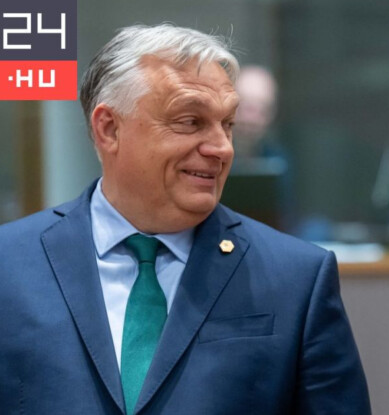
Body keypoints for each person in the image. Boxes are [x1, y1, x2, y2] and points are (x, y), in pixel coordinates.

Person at [0, 24, 370, 414]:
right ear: (109, 129)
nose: (221, 148)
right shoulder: (10, 265)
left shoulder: (296, 279)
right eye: (191, 122)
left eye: (228, 124)